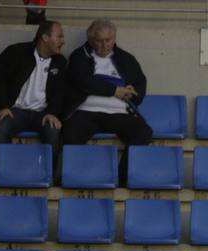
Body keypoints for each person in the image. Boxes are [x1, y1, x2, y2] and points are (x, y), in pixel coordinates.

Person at [61, 19, 152, 165]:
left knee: (143, 132)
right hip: (86, 112)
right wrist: (114, 90)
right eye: (99, 41)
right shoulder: (79, 56)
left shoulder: (127, 59)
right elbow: (83, 81)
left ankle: (123, 178)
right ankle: (76, 176)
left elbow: (140, 82)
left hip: (118, 113)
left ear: (114, 38)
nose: (104, 45)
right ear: (90, 40)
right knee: (70, 134)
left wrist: (134, 93)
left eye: (108, 40)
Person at [0, 19, 66, 165]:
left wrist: (53, 112)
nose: (63, 41)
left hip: (42, 114)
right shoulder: (15, 52)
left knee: (53, 130)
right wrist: (3, 107)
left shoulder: (60, 62)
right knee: (1, 127)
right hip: (15, 111)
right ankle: (6, 173)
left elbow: (62, 92)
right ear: (45, 37)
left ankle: (48, 176)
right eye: (59, 36)